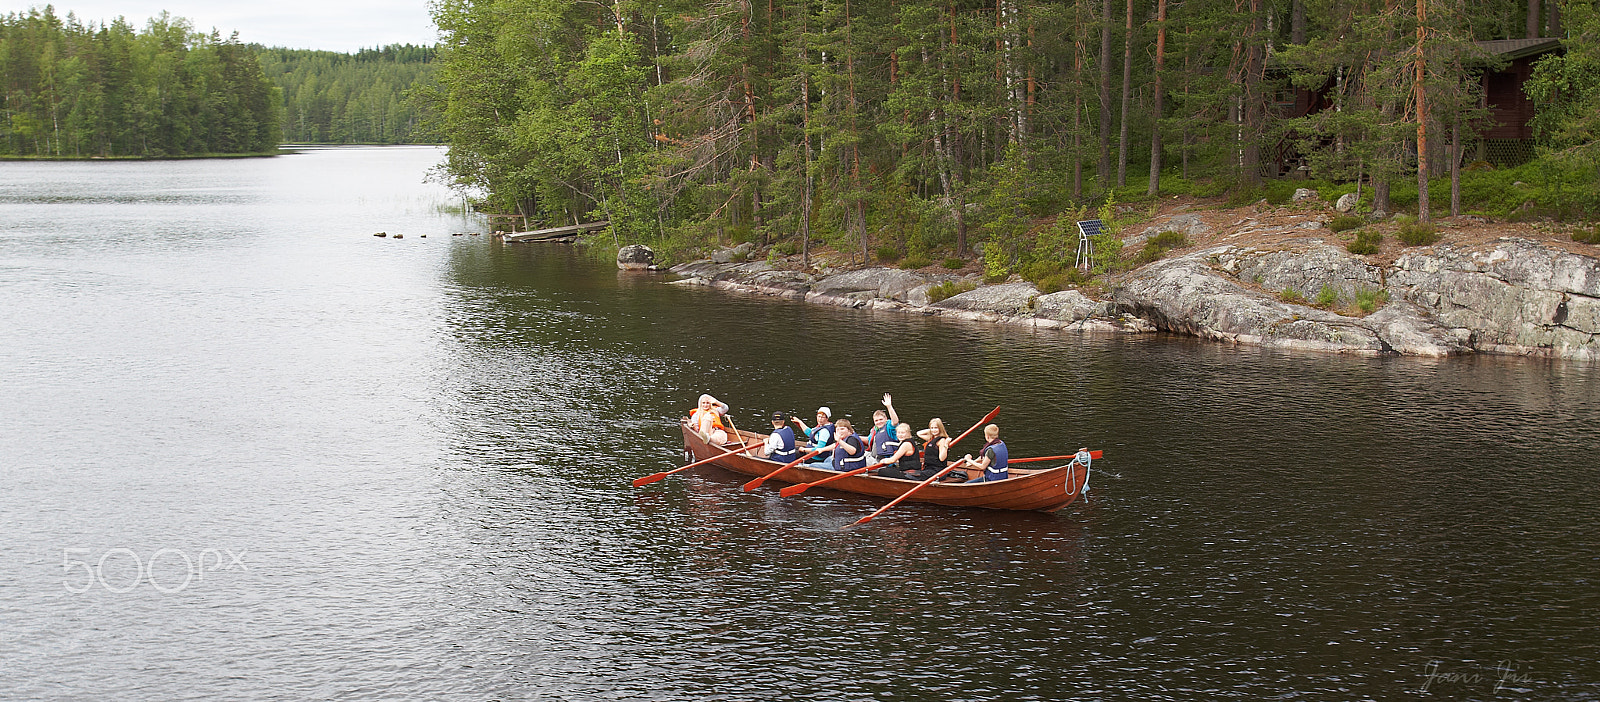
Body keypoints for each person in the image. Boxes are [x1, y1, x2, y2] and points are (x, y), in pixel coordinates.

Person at [867, 394, 904, 461]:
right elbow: (869, 440)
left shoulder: (889, 426)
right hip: (876, 457)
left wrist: (889, 406)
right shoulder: (874, 430)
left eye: (881, 419)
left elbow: (895, 421)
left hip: (888, 459)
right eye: (876, 420)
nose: (879, 422)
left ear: (886, 419)